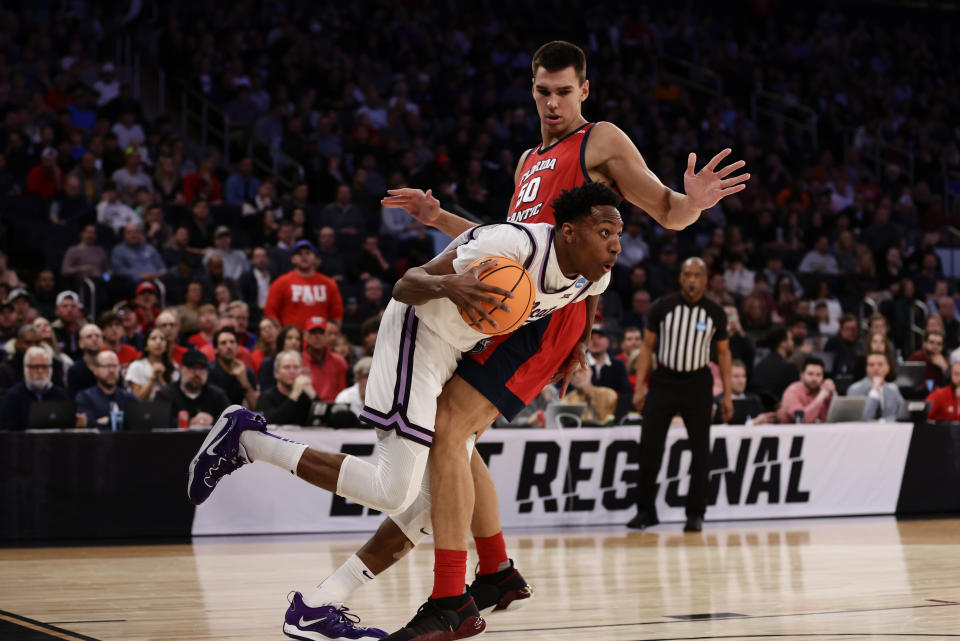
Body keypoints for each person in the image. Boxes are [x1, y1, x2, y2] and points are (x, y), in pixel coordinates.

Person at [359, 40, 746, 639]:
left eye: (565, 91)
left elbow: (666, 209)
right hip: (521, 307)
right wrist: (440, 220)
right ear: (532, 88)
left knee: (451, 430)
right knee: (451, 432)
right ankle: (496, 575)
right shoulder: (526, 161)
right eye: (544, 90)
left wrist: (691, 205)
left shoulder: (603, 140)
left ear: (584, 90)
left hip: (551, 315)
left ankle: (451, 599)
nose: (554, 101)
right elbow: (507, 248)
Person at [189, 181, 624, 641]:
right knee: (393, 491)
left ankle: (319, 604)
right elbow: (406, 284)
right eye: (604, 232)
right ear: (571, 232)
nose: (615, 244)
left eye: (619, 234)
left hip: (456, 351)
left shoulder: (594, 275)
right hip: (416, 336)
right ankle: (247, 440)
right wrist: (449, 285)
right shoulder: (513, 244)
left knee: (437, 501)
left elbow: (588, 295)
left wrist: (578, 342)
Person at [629, 257, 732, 532]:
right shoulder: (662, 306)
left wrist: (728, 395)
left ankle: (695, 513)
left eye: (698, 275)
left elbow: (723, 354)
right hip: (664, 380)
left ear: (705, 279)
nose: (692, 279)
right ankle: (645, 511)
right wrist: (640, 386)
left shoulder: (715, 312)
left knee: (701, 450)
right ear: (681, 277)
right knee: (650, 446)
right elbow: (647, 347)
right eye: (688, 274)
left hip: (698, 383)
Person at [264, 239, 345, 329]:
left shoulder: (329, 284)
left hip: (321, 340)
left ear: (315, 258)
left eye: (308, 253)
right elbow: (270, 313)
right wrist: (282, 336)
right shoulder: (280, 283)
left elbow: (337, 315)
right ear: (293, 259)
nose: (304, 256)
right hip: (291, 341)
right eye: (299, 253)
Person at [0, 346, 84, 430]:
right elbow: (7, 432)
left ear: (51, 369)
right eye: (35, 367)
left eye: (44, 367)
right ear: (25, 370)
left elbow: (68, 430)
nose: (40, 371)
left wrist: (78, 423)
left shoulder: (61, 395)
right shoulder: (13, 396)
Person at [156, 349, 230, 427]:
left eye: (201, 369)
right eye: (192, 368)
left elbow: (231, 420)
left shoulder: (217, 395)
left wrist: (213, 422)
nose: (197, 373)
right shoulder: (166, 394)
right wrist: (188, 422)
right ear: (181, 369)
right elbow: (157, 421)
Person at [75, 351, 138, 429]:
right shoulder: (85, 398)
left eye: (115, 366)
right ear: (95, 370)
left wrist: (108, 421)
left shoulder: (130, 398)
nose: (111, 370)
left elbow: (137, 424)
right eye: (107, 366)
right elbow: (89, 426)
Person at [258, 349, 316, 425]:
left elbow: (325, 420)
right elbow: (271, 422)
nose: (292, 371)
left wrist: (314, 397)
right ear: (276, 373)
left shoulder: (305, 397)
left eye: (296, 367)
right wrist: (295, 393)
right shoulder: (266, 397)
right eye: (286, 367)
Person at [207, 327, 259, 409]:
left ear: (238, 347)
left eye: (232, 342)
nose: (229, 346)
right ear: (216, 349)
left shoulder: (247, 371)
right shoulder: (208, 371)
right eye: (223, 343)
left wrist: (245, 383)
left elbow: (255, 407)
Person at [300, 317, 348, 403]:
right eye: (313, 332)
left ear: (326, 335)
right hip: (306, 409)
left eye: (321, 332)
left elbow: (343, 392)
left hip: (334, 409)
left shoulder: (339, 361)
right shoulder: (297, 361)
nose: (317, 336)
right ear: (305, 335)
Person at [846, 351, 904, 421]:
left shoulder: (893, 389)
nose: (876, 368)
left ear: (888, 368)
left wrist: (884, 422)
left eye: (880, 364)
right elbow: (863, 418)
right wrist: (874, 391)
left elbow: (902, 415)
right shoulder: (855, 389)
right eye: (871, 365)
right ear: (866, 369)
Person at [751, 327, 800, 410]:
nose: (793, 343)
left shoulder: (759, 365)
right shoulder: (790, 368)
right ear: (783, 343)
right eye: (791, 339)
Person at [777, 357, 836, 424]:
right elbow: (802, 420)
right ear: (802, 375)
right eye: (810, 374)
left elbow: (837, 416)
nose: (814, 378)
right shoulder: (792, 391)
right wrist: (821, 397)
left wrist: (833, 392)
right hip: (796, 432)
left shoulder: (825, 390)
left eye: (818, 375)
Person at [125, 328, 178, 401]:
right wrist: (152, 378)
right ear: (146, 346)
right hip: (143, 410)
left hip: (167, 410)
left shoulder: (173, 367)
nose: (158, 342)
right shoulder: (136, 366)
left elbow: (175, 401)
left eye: (162, 339)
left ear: (166, 346)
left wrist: (161, 379)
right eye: (153, 338)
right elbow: (137, 399)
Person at [714, 359, 773, 424]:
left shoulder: (755, 400)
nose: (741, 381)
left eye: (743, 376)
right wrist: (753, 423)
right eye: (736, 376)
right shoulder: (718, 402)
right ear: (726, 378)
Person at [586, 325, 631, 397]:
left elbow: (626, 393)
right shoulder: (577, 365)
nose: (595, 341)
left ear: (608, 342)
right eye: (591, 338)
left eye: (600, 337)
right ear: (585, 343)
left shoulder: (618, 365)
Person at [258, 324, 302, 390]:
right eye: (289, 338)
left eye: (297, 339)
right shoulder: (269, 363)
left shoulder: (303, 362)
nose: (294, 342)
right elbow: (265, 392)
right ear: (282, 341)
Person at [66, 323, 104, 398]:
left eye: (97, 336)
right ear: (80, 343)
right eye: (89, 336)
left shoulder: (111, 365)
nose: (94, 339)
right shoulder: (74, 370)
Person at [908, 330, 949, 394]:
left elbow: (952, 384)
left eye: (939, 344)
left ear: (942, 347)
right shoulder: (916, 358)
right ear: (924, 343)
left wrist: (944, 367)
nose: (935, 346)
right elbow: (908, 382)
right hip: (917, 396)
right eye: (931, 342)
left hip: (939, 396)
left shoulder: (945, 361)